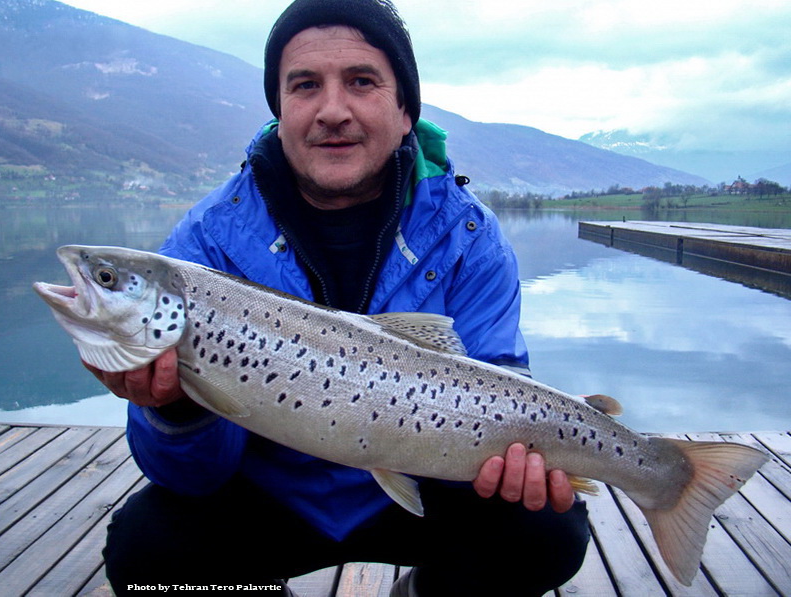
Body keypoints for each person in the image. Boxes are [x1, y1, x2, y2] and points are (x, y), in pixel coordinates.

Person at [91, 0, 589, 594]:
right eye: (305, 86)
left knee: (550, 531)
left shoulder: (470, 235)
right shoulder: (204, 240)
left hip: (425, 484)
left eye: (361, 81)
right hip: (273, 495)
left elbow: (498, 379)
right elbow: (190, 478)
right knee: (144, 554)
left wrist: (516, 462)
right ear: (280, 111)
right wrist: (175, 409)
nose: (332, 110)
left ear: (405, 111)